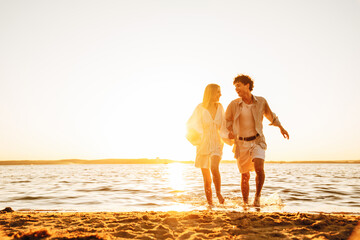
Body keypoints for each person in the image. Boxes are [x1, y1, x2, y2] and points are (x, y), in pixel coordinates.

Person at [225, 74, 289, 207]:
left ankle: (257, 198)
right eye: (235, 87)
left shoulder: (261, 101)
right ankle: (245, 203)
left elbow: (271, 116)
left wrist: (281, 128)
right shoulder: (233, 104)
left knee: (259, 168)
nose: (236, 89)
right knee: (245, 176)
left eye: (238, 85)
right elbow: (227, 120)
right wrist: (230, 130)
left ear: (247, 85)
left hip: (257, 141)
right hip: (241, 143)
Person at [186, 84, 230, 206]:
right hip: (203, 144)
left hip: (217, 142)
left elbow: (224, 124)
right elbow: (189, 125)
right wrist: (196, 140)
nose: (220, 94)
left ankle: (219, 193)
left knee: (214, 167)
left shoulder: (220, 107)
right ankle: (210, 204)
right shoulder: (200, 108)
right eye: (218, 92)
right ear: (211, 93)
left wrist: (230, 136)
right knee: (206, 178)